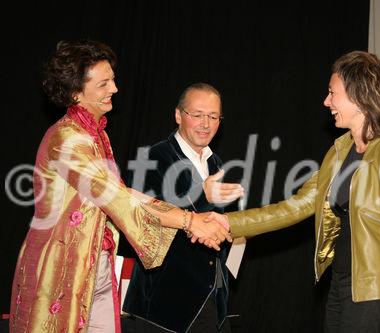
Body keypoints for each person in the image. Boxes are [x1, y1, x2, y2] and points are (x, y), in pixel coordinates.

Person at [207, 51, 380, 332]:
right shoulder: (339, 151)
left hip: (379, 295)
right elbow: (296, 206)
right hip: (342, 287)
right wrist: (229, 222)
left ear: (359, 96)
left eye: (333, 93)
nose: (326, 101)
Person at [9, 40, 231, 333]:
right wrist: (189, 220)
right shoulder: (68, 140)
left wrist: (192, 220)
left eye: (112, 80)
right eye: (103, 84)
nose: (114, 89)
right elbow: (118, 199)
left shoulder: (97, 136)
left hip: (96, 266)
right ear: (76, 92)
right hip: (63, 270)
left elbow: (124, 193)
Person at [123, 83, 244, 332]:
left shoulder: (215, 162)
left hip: (210, 300)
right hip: (163, 307)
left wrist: (235, 228)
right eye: (197, 115)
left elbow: (212, 225)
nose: (206, 123)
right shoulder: (153, 158)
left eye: (213, 116)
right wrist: (203, 196)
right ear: (178, 115)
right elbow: (143, 223)